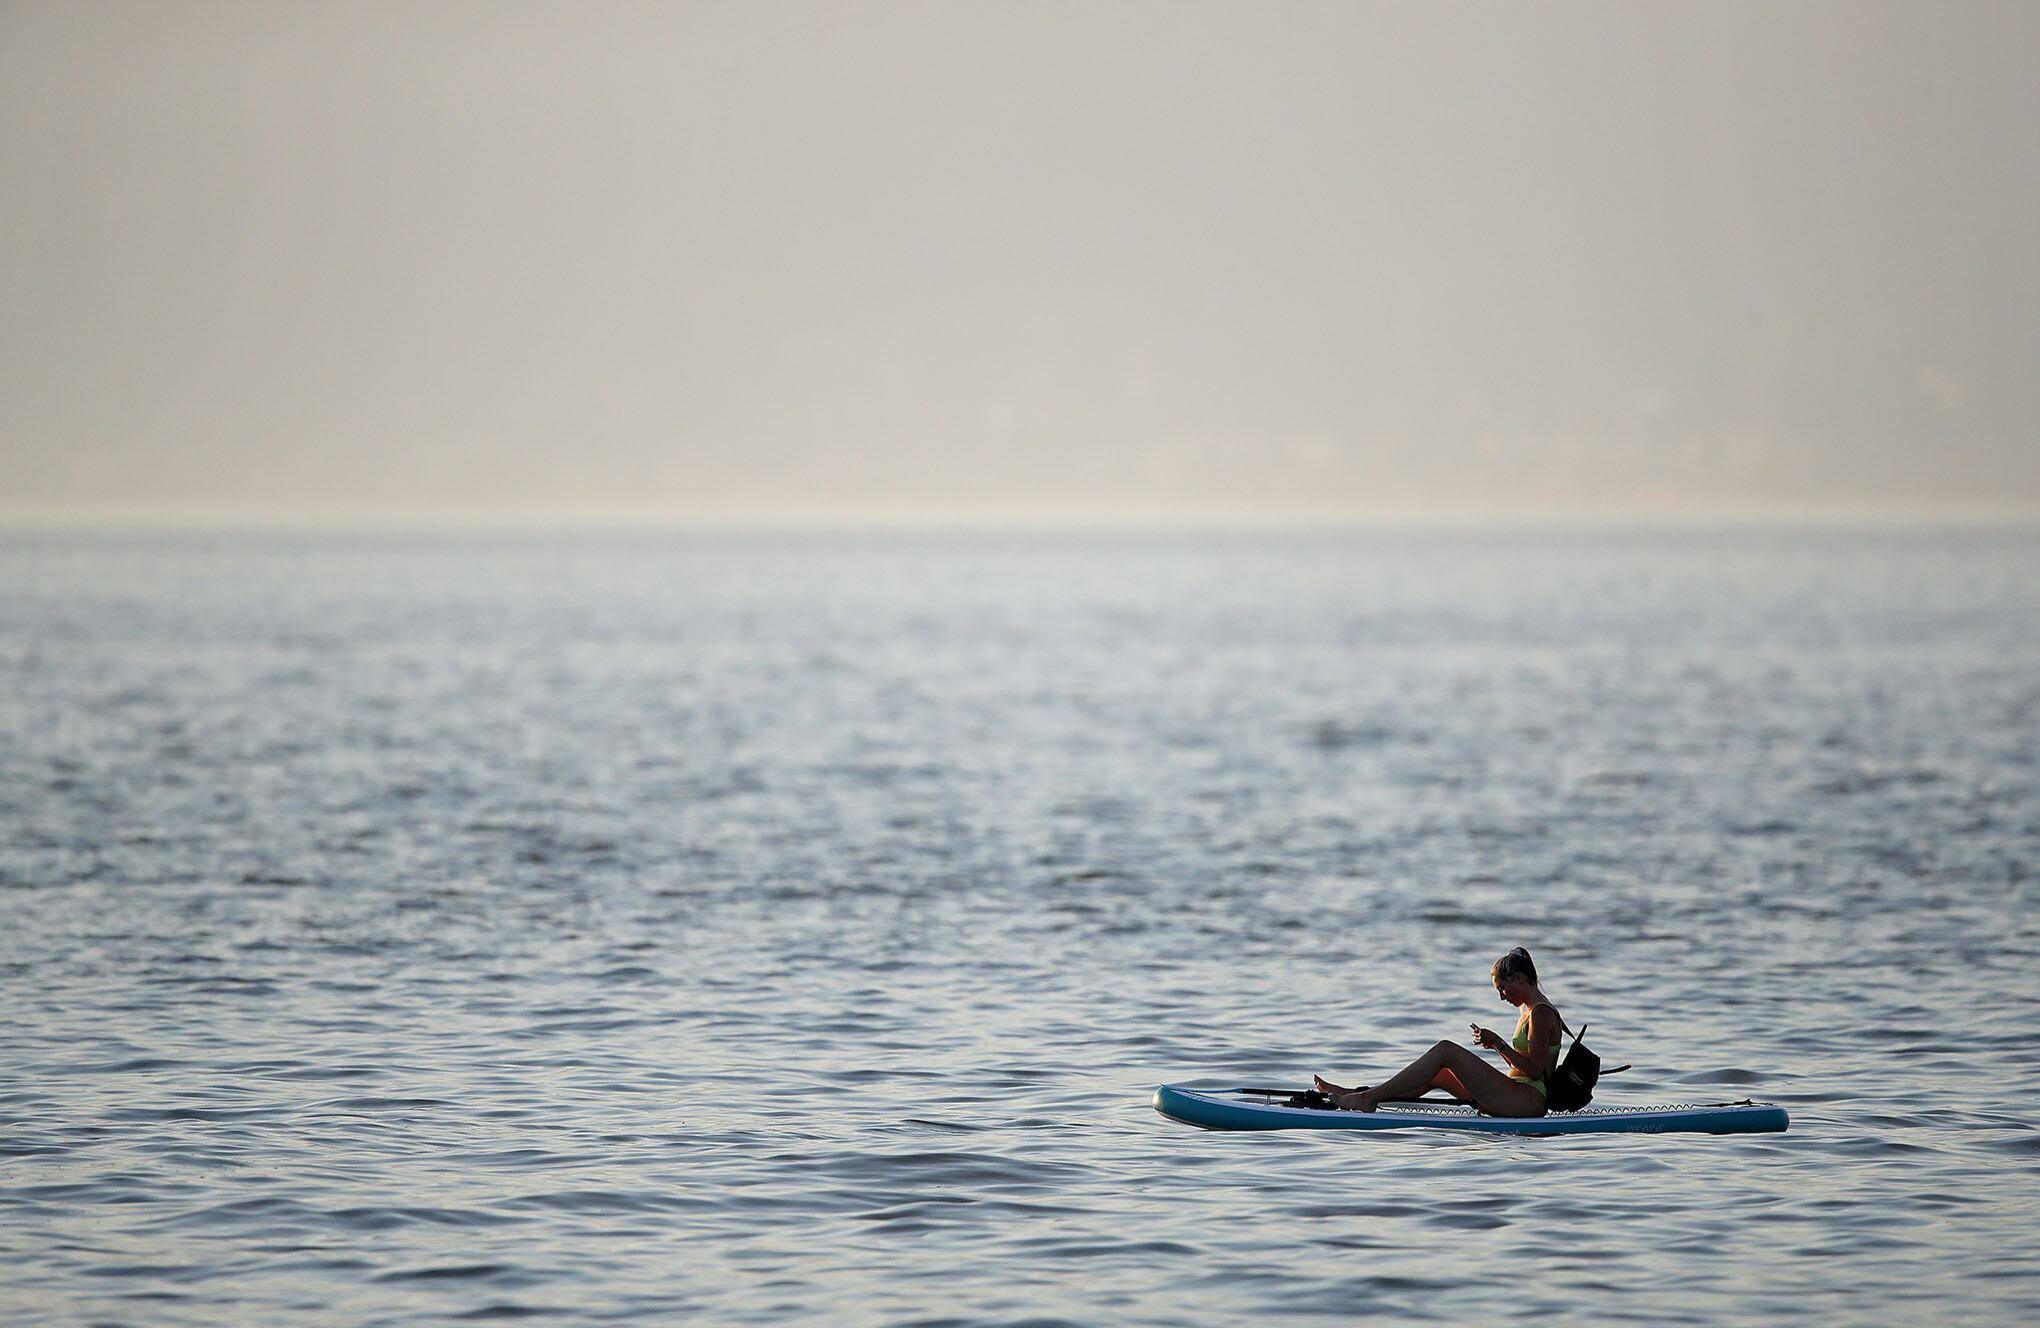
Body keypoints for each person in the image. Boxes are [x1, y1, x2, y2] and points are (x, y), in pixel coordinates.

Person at [1312, 947, 1560, 1117]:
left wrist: (1498, 1043)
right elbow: (1524, 1065)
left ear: (1518, 979)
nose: (1501, 997)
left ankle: (1366, 1099)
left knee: (1445, 1050)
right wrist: (1497, 1046)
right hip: (1514, 1091)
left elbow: (1534, 1070)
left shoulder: (1540, 1012)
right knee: (1438, 1074)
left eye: (1502, 988)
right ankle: (1362, 1095)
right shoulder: (1528, 1009)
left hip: (1527, 1100)